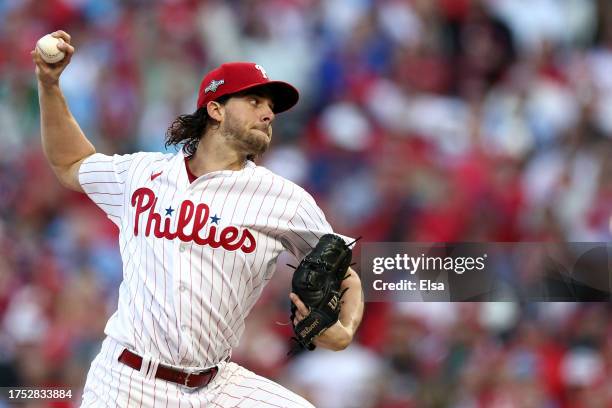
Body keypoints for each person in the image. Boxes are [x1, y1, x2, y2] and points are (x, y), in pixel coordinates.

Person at [32, 31, 364, 407]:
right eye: (254, 101)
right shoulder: (143, 173)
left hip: (216, 385)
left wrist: (344, 330)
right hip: (126, 381)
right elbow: (72, 163)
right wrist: (49, 84)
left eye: (270, 106)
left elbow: (344, 267)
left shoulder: (285, 200)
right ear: (216, 109)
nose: (268, 113)